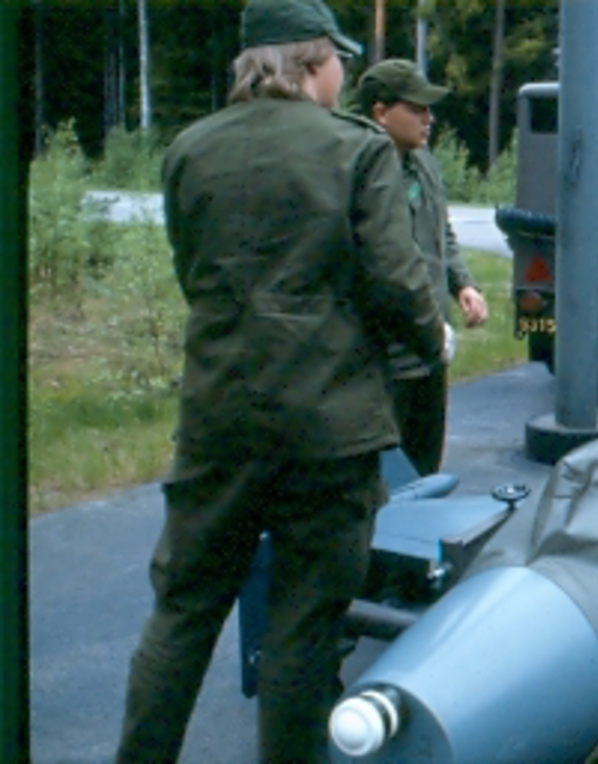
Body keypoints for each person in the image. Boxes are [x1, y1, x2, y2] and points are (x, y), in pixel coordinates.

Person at [115, 1, 446, 761]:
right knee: (304, 622)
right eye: (338, 61)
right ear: (311, 61)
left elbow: (192, 272)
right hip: (328, 428)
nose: (342, 76)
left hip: (218, 418)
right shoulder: (356, 150)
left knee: (183, 610)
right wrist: (430, 343)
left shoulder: (190, 148)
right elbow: (397, 282)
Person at [358, 58, 489, 476]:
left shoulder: (424, 163)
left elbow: (441, 233)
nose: (428, 118)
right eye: (416, 108)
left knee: (426, 468)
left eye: (428, 109)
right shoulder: (360, 175)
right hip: (385, 359)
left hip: (432, 352)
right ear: (381, 112)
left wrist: (463, 284)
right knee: (385, 476)